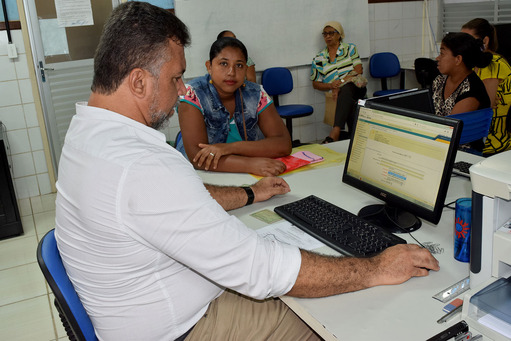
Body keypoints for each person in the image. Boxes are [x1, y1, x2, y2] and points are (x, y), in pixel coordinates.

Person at [55, 3, 440, 340]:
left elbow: (170, 199)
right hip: (188, 329)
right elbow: (258, 269)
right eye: (175, 78)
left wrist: (251, 194)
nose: (179, 92)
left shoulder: (87, 134)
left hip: (149, 313)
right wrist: (375, 267)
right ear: (138, 81)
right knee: (337, 317)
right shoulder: (140, 164)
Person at [177, 37, 291, 177]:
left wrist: (228, 148)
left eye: (239, 65)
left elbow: (283, 144)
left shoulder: (256, 93)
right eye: (223, 63)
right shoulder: (192, 93)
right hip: (198, 176)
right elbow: (198, 158)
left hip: (245, 173)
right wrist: (250, 164)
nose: (231, 72)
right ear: (209, 66)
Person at [310, 21, 367, 144]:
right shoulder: (319, 58)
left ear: (339, 34)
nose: (328, 36)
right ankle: (353, 140)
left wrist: (339, 83)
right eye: (325, 34)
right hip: (338, 94)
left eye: (331, 33)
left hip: (356, 87)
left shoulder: (350, 48)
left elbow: (358, 70)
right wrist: (331, 86)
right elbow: (315, 84)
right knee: (349, 102)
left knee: (346, 90)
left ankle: (335, 132)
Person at [461, 18, 511, 155]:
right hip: (477, 136)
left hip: (492, 143)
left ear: (485, 41)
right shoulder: (475, 64)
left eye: (468, 40)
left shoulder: (494, 64)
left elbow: (484, 106)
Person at [432, 32, 492, 117]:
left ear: (458, 59)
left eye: (442, 53)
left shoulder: (471, 91)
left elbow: (451, 127)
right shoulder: (440, 80)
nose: (437, 58)